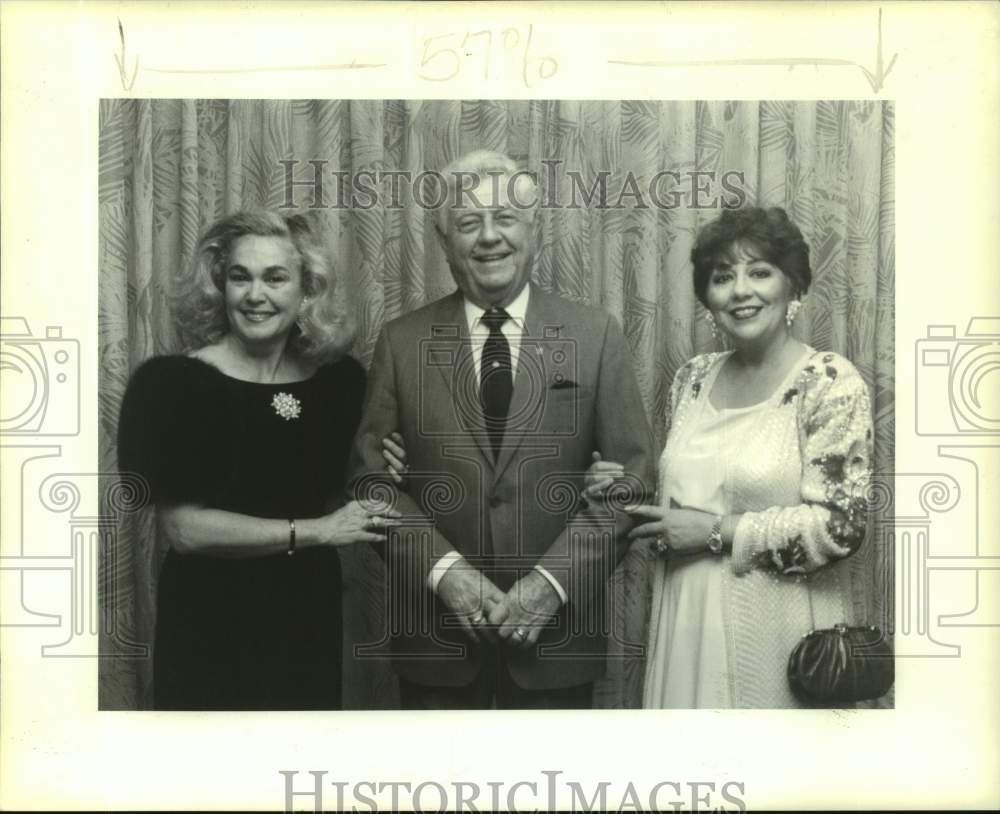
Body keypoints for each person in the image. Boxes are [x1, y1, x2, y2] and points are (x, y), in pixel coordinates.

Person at [348, 150, 655, 709]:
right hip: (436, 646)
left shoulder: (595, 335)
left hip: (555, 644)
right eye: (468, 223)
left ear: (534, 232)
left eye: (505, 219)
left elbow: (631, 485)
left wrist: (550, 585)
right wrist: (447, 574)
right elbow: (373, 487)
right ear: (444, 242)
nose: (489, 237)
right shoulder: (400, 341)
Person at [588, 206, 874, 708]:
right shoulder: (693, 377)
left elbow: (840, 528)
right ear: (708, 298)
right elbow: (682, 503)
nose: (740, 290)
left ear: (794, 289)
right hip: (684, 620)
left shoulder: (828, 381)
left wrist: (717, 533)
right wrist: (618, 486)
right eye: (723, 277)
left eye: (760, 272)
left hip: (774, 632)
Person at [117, 210, 397, 710]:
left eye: (275, 278)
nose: (254, 295)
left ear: (306, 290)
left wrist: (389, 460)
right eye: (239, 277)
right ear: (219, 287)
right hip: (207, 623)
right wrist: (317, 531)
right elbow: (184, 530)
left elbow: (365, 477)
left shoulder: (341, 384)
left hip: (306, 616)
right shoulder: (169, 386)